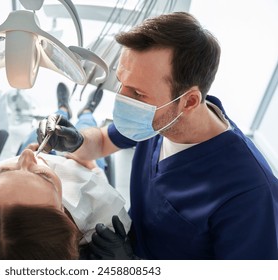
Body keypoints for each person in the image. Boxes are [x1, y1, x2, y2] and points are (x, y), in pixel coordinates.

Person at [37, 12, 278, 260]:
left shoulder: (251, 195)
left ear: (189, 101)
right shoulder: (155, 119)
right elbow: (101, 142)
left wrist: (133, 267)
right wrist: (77, 141)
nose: (122, 99)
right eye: (121, 83)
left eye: (138, 94)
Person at [0, 84, 131, 260]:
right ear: (62, 211)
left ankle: (62, 107)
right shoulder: (101, 215)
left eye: (2, 170)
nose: (27, 155)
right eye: (43, 175)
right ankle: (87, 111)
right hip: (80, 167)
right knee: (85, 125)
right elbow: (97, 182)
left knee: (52, 125)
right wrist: (88, 164)